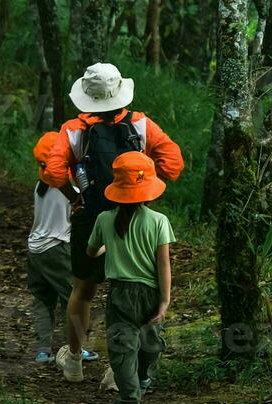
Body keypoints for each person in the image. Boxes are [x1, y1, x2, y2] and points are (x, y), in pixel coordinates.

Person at [42, 63, 184, 382]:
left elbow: (51, 171)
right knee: (129, 291)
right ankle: (117, 368)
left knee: (83, 291)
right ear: (121, 93)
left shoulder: (74, 130)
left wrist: (74, 197)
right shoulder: (143, 126)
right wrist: (143, 188)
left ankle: (75, 360)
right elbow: (173, 163)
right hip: (137, 220)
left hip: (92, 219)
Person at [86, 151, 173, 404]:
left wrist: (106, 247)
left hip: (120, 295)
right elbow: (163, 265)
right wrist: (164, 300)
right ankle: (145, 377)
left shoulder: (104, 220)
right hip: (149, 292)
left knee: (123, 351)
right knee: (150, 343)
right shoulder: (158, 221)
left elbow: (91, 251)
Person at [25, 132, 98, 365]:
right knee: (75, 296)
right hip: (56, 249)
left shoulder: (40, 187)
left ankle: (43, 350)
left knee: (42, 299)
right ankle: (78, 348)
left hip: (35, 250)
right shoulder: (70, 194)